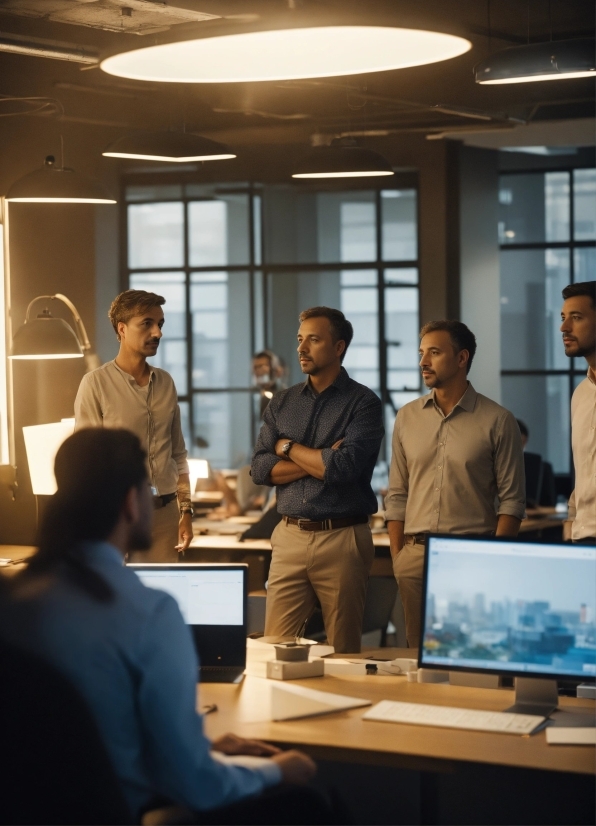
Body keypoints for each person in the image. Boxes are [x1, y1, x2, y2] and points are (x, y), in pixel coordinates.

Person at [0, 428, 326, 824]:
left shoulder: (14, 601)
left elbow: (82, 744)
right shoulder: (146, 611)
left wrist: (196, 748)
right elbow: (198, 786)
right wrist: (279, 768)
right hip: (113, 811)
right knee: (310, 797)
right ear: (131, 504)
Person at [385, 320, 525, 649]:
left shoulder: (498, 420)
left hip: (473, 558)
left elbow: (512, 503)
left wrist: (494, 560)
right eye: (421, 353)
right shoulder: (407, 417)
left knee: (471, 660)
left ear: (462, 358)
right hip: (415, 558)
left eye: (434, 352)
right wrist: (399, 559)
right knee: (420, 662)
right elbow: (396, 495)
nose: (423, 362)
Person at [251, 307, 384, 654]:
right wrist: (318, 455)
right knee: (275, 648)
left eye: (313, 339)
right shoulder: (282, 402)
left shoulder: (364, 403)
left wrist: (287, 447)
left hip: (342, 538)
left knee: (343, 653)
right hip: (289, 535)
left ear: (339, 347)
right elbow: (260, 469)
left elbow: (343, 468)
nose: (301, 348)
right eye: (299, 340)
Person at [74, 289, 192, 562]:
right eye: (147, 324)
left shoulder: (166, 383)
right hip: (115, 516)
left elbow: (179, 456)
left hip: (164, 517)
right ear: (122, 329)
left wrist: (186, 511)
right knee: (114, 598)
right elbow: (86, 461)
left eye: (160, 324)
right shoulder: (95, 384)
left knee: (158, 599)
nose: (157, 333)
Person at [560, 281, 596, 544]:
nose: (564, 327)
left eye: (576, 317)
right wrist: (571, 520)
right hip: (583, 539)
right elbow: (584, 470)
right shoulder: (580, 394)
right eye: (563, 318)